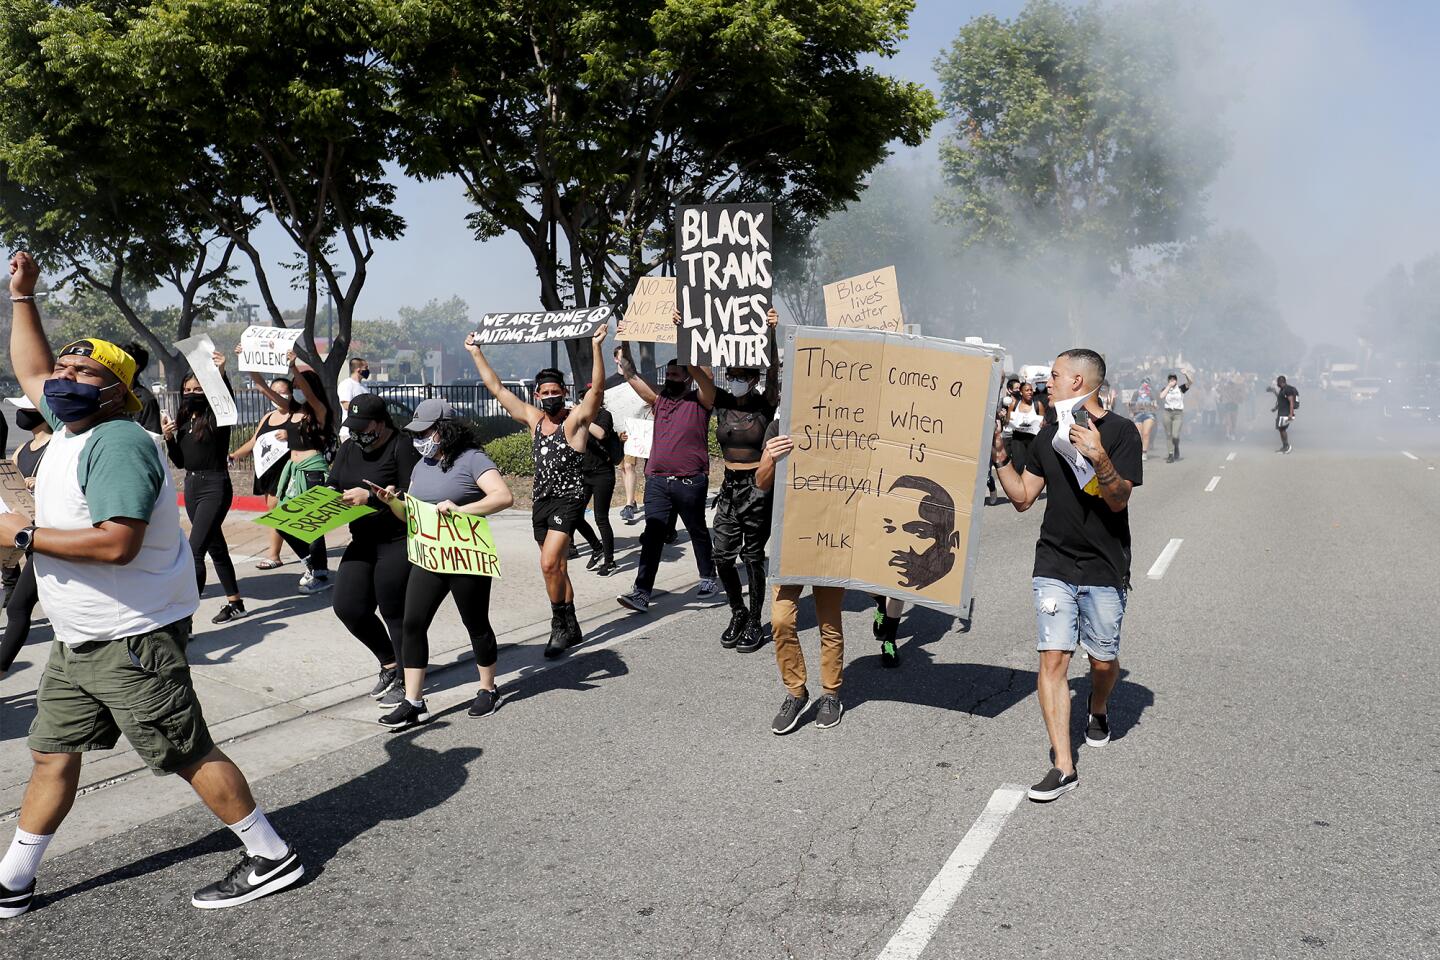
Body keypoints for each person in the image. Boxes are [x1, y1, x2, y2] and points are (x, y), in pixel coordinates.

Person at [0, 251, 303, 917]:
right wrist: (23, 296)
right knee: (52, 754)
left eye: (85, 371)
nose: (63, 377)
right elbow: (31, 366)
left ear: (117, 389)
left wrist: (20, 538)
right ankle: (12, 880)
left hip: (130, 636)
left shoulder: (117, 441)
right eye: (63, 368)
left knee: (185, 751)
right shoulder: (64, 433)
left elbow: (117, 543)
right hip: (81, 641)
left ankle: (271, 854)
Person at [990, 348, 1142, 803]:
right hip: (1053, 564)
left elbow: (1118, 499)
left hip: (1104, 566)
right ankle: (1063, 765)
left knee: (1101, 661)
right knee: (1053, 660)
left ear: (1078, 381)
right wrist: (1000, 458)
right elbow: (1021, 498)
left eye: (1054, 375)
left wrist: (1099, 458)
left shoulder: (1120, 432)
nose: (1046, 382)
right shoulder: (1048, 435)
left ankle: (1098, 706)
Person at [466, 325, 609, 657]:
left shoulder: (573, 422)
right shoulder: (533, 420)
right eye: (543, 392)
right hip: (541, 502)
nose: (549, 397)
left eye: (554, 391)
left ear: (564, 392)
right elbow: (498, 389)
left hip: (569, 499)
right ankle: (571, 625)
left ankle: (558, 625)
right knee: (557, 567)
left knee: (547, 565)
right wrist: (476, 352)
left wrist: (597, 347)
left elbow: (597, 391)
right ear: (536, 396)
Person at [370, 400, 514, 728]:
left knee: (475, 623)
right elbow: (411, 516)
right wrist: (392, 501)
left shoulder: (472, 459)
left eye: (425, 432)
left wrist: (461, 510)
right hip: (430, 556)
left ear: (444, 429)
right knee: (412, 624)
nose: (419, 439)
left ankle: (488, 689)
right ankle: (414, 702)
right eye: (416, 433)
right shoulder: (422, 466)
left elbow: (503, 496)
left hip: (465, 555)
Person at [691, 311, 781, 652]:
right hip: (729, 485)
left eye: (743, 375)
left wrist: (772, 333)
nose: (736, 379)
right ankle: (738, 612)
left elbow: (774, 371)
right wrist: (682, 330)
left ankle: (756, 621)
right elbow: (695, 372)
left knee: (753, 555)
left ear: (753, 379)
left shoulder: (764, 404)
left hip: (758, 484)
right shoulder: (722, 402)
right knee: (722, 556)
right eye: (732, 375)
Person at [325, 393, 419, 709]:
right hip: (362, 539)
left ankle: (409, 681)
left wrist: (374, 498)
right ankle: (390, 663)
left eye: (362, 426)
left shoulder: (401, 445)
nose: (356, 433)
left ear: (379, 424)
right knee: (347, 606)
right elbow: (333, 484)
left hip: (396, 540)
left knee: (395, 613)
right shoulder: (350, 447)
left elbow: (412, 493)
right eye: (352, 426)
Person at [614, 343, 720, 613]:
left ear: (687, 376)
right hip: (658, 481)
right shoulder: (659, 402)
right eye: (668, 375)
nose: (670, 378)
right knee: (652, 535)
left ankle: (708, 577)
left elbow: (705, 380)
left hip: (690, 480)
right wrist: (625, 345)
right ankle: (641, 592)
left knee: (697, 530)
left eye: (676, 374)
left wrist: (687, 344)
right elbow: (631, 375)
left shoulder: (701, 401)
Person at [756, 422, 846, 733]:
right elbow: (761, 482)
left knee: (830, 623)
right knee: (781, 621)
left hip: (833, 540)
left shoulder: (846, 422)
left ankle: (831, 694)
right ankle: (796, 693)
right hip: (791, 542)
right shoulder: (779, 425)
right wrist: (769, 456)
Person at [163, 354, 245, 624]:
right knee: (215, 546)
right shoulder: (185, 419)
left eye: (198, 389)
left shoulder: (217, 418)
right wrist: (170, 438)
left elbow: (226, 401)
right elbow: (180, 462)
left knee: (194, 551)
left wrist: (220, 373)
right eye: (187, 390)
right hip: (191, 485)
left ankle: (184, 620)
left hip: (214, 485)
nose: (191, 394)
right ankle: (236, 603)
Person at [244, 355, 334, 593]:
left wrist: (293, 367)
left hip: (312, 470)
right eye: (293, 387)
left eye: (297, 386)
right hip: (293, 471)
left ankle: (319, 574)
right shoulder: (294, 411)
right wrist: (249, 362)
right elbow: (264, 389)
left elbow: (310, 393)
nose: (295, 391)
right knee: (281, 520)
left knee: (311, 525)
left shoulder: (319, 410)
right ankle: (313, 565)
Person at [0, 405, 51, 677]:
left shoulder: (57, 447)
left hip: (47, 538)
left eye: (26, 407)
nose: (20, 413)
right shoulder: (22, 449)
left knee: (19, 605)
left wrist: (40, 482)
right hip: (28, 535)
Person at [229, 377, 293, 569]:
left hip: (286, 471)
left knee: (276, 511)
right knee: (277, 512)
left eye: (282, 392)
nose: (277, 396)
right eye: (273, 392)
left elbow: (310, 434)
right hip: (267, 470)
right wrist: (234, 455)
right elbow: (254, 441)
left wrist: (292, 434)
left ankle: (274, 555)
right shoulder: (268, 416)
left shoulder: (297, 415)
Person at [570, 386, 620, 575]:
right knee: (574, 515)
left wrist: (582, 416)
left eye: (590, 399)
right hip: (583, 473)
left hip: (602, 473)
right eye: (584, 399)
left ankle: (609, 561)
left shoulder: (603, 415)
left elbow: (600, 434)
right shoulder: (578, 418)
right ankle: (596, 547)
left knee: (601, 518)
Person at [124, 340, 163, 435]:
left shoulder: (146, 400)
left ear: (135, 367)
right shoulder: (106, 394)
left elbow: (153, 437)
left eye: (121, 362)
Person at [1006, 381, 1046, 473]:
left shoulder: (1038, 405)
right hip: (1017, 438)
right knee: (1018, 465)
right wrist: (1007, 419)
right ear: (1021, 392)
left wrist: (1042, 423)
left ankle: (1028, 484)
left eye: (1031, 390)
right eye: (1027, 390)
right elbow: (1008, 422)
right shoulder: (1014, 404)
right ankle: (1018, 484)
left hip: (1032, 439)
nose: (1030, 392)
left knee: (1032, 465)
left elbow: (1043, 422)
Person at [1159, 371, 1191, 463]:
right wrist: (1168, 386)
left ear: (1176, 381)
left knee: (1175, 435)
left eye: (1174, 379)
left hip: (1178, 413)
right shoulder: (1165, 388)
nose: (1172, 381)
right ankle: (1170, 454)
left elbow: (1190, 382)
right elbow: (1161, 396)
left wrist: (1186, 374)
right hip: (1167, 412)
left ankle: (1176, 446)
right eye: (1170, 379)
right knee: (1169, 434)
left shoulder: (1181, 388)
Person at [337, 357, 371, 442]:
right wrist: (364, 409)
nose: (368, 371)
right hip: (349, 433)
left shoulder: (364, 387)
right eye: (366, 368)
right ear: (358, 370)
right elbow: (346, 405)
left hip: (364, 433)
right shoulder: (347, 384)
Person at [1128, 378, 1158, 461]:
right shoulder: (1136, 393)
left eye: (1147, 383)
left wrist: (1154, 406)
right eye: (1143, 383)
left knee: (1146, 433)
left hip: (1149, 414)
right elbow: (1131, 404)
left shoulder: (1152, 393)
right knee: (1138, 434)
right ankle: (1138, 451)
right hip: (1138, 415)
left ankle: (1144, 453)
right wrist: (1131, 411)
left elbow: (1156, 405)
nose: (1145, 385)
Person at [1272, 375, 1299, 453]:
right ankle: (1284, 446)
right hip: (1281, 412)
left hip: (1286, 413)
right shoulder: (1283, 389)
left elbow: (1291, 402)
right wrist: (1276, 408)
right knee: (1281, 429)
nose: (1277, 383)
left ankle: (1287, 446)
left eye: (1278, 382)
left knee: (1283, 429)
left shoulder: (1288, 389)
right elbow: (1281, 399)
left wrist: (1291, 414)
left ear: (1281, 382)